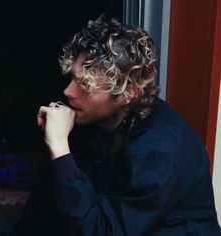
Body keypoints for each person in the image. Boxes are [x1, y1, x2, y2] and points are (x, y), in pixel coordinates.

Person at [12, 16, 221, 235]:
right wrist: (56, 147)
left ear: (127, 93)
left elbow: (98, 231)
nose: (68, 91)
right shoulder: (94, 119)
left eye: (86, 85)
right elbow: (49, 205)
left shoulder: (158, 153)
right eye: (73, 77)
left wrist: (60, 148)